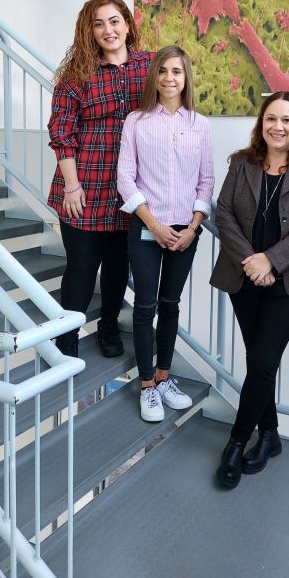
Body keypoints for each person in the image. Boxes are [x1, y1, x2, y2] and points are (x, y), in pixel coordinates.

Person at [211, 91, 289, 489]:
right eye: (271, 119)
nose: (277, 127)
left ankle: (235, 444)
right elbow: (223, 212)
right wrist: (251, 260)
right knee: (260, 361)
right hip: (243, 277)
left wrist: (271, 261)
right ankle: (271, 436)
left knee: (262, 361)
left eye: (287, 120)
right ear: (261, 123)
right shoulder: (241, 163)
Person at [48, 0, 152, 358]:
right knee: (80, 267)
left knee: (117, 267)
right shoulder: (76, 74)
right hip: (84, 186)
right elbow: (62, 133)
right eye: (98, 24)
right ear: (89, 31)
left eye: (114, 21)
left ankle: (109, 325)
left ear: (127, 24)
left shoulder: (150, 67)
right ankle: (67, 336)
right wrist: (72, 186)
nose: (108, 30)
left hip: (128, 189)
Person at [117, 46, 214, 422]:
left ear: (186, 77)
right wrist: (154, 225)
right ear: (154, 77)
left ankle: (164, 377)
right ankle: (146, 386)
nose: (169, 78)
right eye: (163, 71)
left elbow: (206, 181)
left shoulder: (200, 125)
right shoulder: (137, 122)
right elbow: (125, 177)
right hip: (146, 225)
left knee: (171, 305)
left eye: (177, 71)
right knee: (145, 306)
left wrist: (192, 227)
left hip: (186, 231)